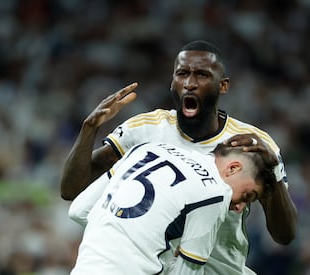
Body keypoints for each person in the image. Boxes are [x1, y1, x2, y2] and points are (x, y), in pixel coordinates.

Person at [61, 40, 297, 274]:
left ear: (222, 86)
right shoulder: (144, 130)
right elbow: (72, 191)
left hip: (221, 269)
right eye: (182, 74)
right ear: (172, 81)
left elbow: (284, 235)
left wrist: (274, 172)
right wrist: (89, 129)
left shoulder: (252, 144)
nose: (190, 83)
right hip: (156, 267)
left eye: (202, 75)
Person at [68, 140, 278, 275]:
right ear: (233, 168)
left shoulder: (147, 148)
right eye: (248, 196)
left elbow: (78, 210)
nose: (240, 207)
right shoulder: (216, 192)